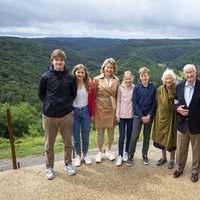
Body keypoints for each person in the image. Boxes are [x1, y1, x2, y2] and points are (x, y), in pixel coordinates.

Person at [38, 49, 77, 180]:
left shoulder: (70, 77)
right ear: (52, 61)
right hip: (49, 115)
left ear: (64, 61)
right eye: (57, 59)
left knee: (67, 142)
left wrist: (65, 106)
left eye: (61, 60)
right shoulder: (45, 77)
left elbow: (73, 94)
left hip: (66, 114)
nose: (59, 62)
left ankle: (68, 164)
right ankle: (49, 167)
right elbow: (41, 95)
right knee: (49, 144)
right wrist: (51, 105)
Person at [173, 64, 200, 182]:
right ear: (184, 74)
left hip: (197, 124)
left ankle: (195, 171)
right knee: (181, 149)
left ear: (196, 73)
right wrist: (177, 108)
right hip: (182, 124)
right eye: (187, 73)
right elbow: (175, 101)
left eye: (191, 72)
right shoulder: (179, 86)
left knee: (197, 150)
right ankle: (179, 168)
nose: (189, 74)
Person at [126, 67, 156, 166]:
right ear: (140, 77)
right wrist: (141, 116)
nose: (144, 77)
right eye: (142, 75)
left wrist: (149, 115)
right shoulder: (137, 88)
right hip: (138, 116)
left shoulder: (153, 87)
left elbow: (154, 103)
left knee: (146, 137)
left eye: (145, 75)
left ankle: (145, 155)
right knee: (134, 137)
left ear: (149, 76)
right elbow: (134, 103)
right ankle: (130, 156)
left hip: (148, 117)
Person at [93, 58, 120, 163]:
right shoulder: (96, 79)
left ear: (114, 69)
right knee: (99, 132)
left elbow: (118, 95)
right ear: (104, 68)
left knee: (111, 131)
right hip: (99, 107)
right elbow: (93, 95)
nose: (109, 69)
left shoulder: (116, 80)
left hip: (112, 106)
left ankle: (109, 151)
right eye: (107, 67)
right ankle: (99, 152)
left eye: (111, 68)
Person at [152, 69, 177, 169]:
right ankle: (163, 157)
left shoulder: (177, 89)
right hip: (161, 117)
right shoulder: (159, 90)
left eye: (170, 78)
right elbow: (156, 103)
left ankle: (172, 160)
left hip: (172, 118)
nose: (168, 80)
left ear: (173, 79)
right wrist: (154, 116)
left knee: (172, 139)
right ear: (163, 80)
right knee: (161, 138)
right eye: (166, 78)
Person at [72, 64, 95, 167]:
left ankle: (85, 155)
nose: (80, 74)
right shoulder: (71, 84)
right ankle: (78, 156)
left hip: (86, 111)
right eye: (78, 72)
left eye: (82, 72)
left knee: (85, 136)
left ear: (85, 73)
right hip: (74, 112)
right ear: (75, 72)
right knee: (76, 137)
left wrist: (92, 114)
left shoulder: (89, 85)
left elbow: (92, 101)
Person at [115, 71, 134, 166]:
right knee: (122, 136)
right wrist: (117, 114)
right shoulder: (120, 88)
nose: (128, 80)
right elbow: (118, 101)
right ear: (124, 79)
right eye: (126, 78)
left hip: (131, 115)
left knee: (129, 135)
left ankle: (126, 152)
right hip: (121, 115)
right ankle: (120, 155)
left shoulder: (134, 88)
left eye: (129, 78)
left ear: (132, 79)